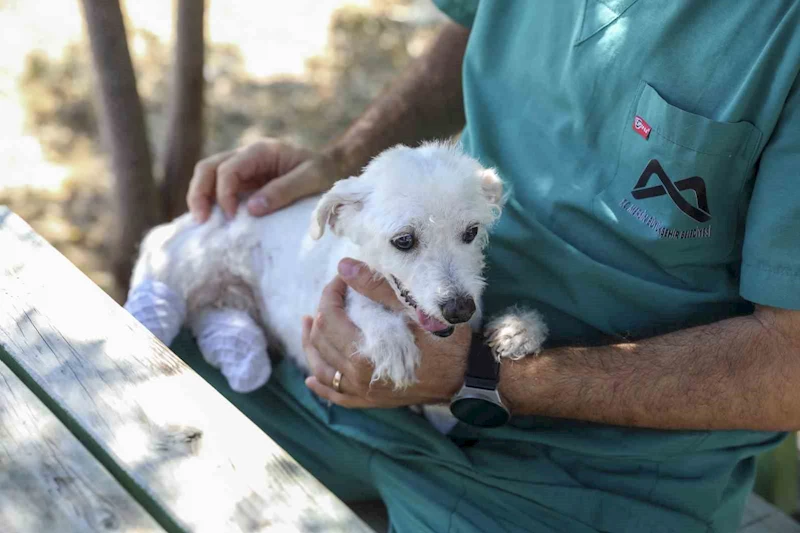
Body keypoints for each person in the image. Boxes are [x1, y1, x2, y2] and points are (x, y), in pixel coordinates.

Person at [174, 2, 800, 531]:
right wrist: (344, 163)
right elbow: (479, 23)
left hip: (595, 477)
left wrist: (481, 378)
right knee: (134, 407)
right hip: (357, 380)